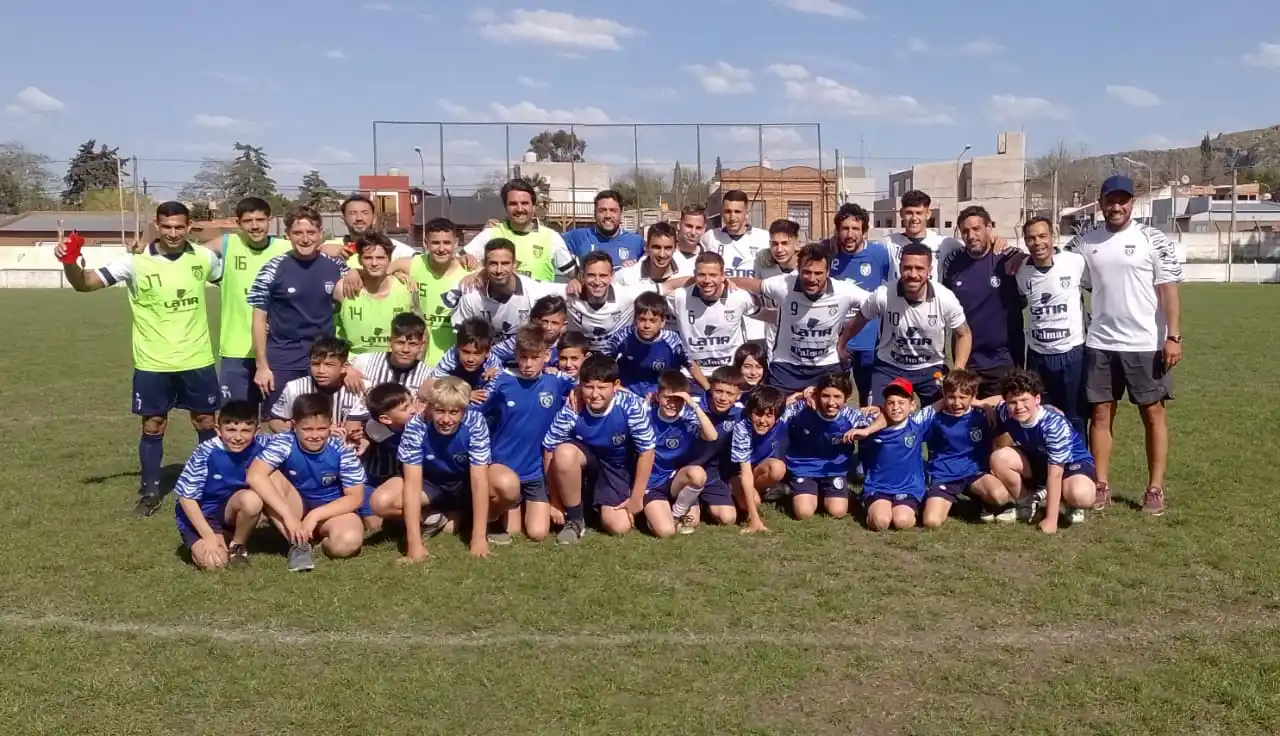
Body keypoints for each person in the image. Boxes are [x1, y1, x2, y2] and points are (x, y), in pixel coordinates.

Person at [57, 200, 224, 516]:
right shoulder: (133, 262)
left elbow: (231, 282)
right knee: (153, 425)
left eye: (179, 226)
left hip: (197, 358)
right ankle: (150, 491)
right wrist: (69, 262)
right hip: (152, 362)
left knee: (205, 421)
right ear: (157, 227)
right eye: (167, 226)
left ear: (188, 227)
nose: (173, 233)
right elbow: (85, 284)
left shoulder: (203, 258)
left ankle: (208, 486)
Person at [1065, 175, 1183, 516]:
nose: (1116, 206)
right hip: (1100, 342)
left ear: (1132, 203)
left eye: (1123, 200)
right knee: (1101, 414)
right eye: (1110, 200)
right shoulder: (1086, 242)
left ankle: (1155, 488)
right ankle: (1100, 484)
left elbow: (1169, 290)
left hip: (1146, 343)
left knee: (1153, 414)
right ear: (1100, 203)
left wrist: (1173, 337)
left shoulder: (1152, 239)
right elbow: (1058, 265)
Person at [389, 377, 518, 561]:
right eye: (440, 411)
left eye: (454, 412)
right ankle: (436, 521)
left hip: (464, 481)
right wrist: (414, 544)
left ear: (464, 412)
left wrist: (479, 538)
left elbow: (479, 479)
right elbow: (412, 484)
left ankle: (476, 522)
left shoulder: (475, 422)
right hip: (432, 483)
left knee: (508, 484)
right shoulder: (416, 425)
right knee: (383, 501)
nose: (446, 419)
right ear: (430, 408)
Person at [838, 243, 971, 406]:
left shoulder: (945, 298)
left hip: (931, 367)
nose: (913, 274)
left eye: (919, 268)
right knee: (875, 415)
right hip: (889, 367)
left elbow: (964, 334)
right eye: (907, 268)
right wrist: (842, 343)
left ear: (929, 271)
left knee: (943, 415)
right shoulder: (883, 295)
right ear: (900, 268)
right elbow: (861, 318)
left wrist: (958, 368)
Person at [247, 393, 368, 572]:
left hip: (330, 510)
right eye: (307, 429)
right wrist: (288, 516)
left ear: (330, 425)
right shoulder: (284, 442)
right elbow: (254, 476)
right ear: (294, 426)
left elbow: (355, 497)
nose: (315, 435)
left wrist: (315, 516)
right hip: (295, 508)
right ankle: (298, 544)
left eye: (321, 429)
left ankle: (317, 542)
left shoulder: (342, 450)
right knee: (267, 476)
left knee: (346, 544)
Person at [542, 355, 657, 543]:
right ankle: (575, 519)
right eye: (588, 387)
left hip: (616, 465)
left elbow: (647, 451)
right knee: (563, 452)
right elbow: (549, 448)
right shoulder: (574, 406)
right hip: (586, 460)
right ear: (580, 385)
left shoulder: (630, 405)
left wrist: (636, 498)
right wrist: (554, 499)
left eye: (602, 387)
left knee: (618, 527)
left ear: (616, 385)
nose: (594, 394)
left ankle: (594, 505)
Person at [248, 206, 349, 413]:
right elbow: (259, 319)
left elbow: (366, 286)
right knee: (279, 419)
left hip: (324, 358)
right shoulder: (273, 268)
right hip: (284, 357)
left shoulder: (336, 266)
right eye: (297, 233)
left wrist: (356, 273)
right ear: (288, 236)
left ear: (321, 233)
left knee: (321, 419)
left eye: (311, 232)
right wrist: (262, 366)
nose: (305, 239)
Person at [480, 325, 576, 542]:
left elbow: (589, 384)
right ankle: (492, 512)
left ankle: (524, 507)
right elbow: (475, 410)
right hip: (504, 467)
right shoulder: (501, 382)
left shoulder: (556, 380)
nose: (528, 364)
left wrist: (614, 389)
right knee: (512, 530)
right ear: (515, 356)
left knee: (538, 533)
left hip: (536, 472)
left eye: (535, 357)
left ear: (547, 356)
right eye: (523, 357)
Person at [732, 243, 870, 392]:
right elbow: (753, 284)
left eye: (818, 273)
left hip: (826, 365)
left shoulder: (844, 291)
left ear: (828, 271)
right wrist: (725, 281)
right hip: (786, 366)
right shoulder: (783, 285)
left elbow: (875, 304)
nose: (812, 278)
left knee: (830, 410)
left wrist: (843, 341)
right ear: (798, 269)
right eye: (806, 272)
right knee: (772, 410)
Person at [987, 369, 1096, 534]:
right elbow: (995, 401)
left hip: (1070, 465)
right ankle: (1027, 503)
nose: (1019, 407)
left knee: (1081, 495)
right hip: (1041, 461)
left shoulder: (1053, 425)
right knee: (999, 458)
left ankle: (1070, 503)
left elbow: (1056, 473)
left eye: (1025, 400)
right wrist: (978, 403)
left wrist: (1051, 521)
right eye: (1013, 402)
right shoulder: (1006, 411)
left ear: (1037, 399)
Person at [207, 197, 291, 405]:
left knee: (279, 420)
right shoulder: (227, 244)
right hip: (237, 350)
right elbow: (189, 254)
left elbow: (321, 251)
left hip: (278, 348)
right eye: (248, 221)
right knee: (236, 420)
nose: (255, 226)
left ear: (269, 220)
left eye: (260, 220)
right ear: (238, 223)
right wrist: (148, 245)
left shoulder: (286, 248)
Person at [941, 206, 1026, 397]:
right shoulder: (953, 264)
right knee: (968, 417)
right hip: (968, 359)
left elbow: (1039, 261)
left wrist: (1020, 254)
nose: (971, 235)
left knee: (1004, 418)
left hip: (1004, 359)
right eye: (965, 231)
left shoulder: (1008, 257)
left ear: (989, 228)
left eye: (976, 229)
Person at [173, 400, 269, 570]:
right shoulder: (206, 452)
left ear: (257, 431)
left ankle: (236, 546)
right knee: (214, 564)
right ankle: (209, 538)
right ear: (218, 429)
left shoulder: (263, 444)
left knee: (252, 500)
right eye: (231, 430)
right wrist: (208, 536)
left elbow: (298, 436)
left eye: (246, 431)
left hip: (230, 508)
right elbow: (186, 498)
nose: (238, 437)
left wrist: (332, 432)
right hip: (202, 513)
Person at [1017, 216, 1088, 436]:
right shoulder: (1021, 271)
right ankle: (1046, 466)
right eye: (1031, 238)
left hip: (1071, 353)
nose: (1037, 243)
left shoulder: (1074, 262)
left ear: (1053, 236)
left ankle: (1078, 467)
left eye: (1042, 236)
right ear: (1025, 241)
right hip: (1038, 356)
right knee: (1040, 414)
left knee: (1075, 415)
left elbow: (1099, 289)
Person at [917, 370, 1014, 528]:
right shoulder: (935, 419)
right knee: (931, 522)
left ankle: (978, 499)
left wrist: (983, 404)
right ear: (944, 396)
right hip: (944, 475)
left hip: (973, 473)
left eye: (962, 397)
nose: (956, 403)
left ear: (972, 396)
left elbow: (1003, 399)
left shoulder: (982, 416)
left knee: (1000, 496)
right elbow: (913, 427)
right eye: (951, 397)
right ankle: (949, 501)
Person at [779, 373, 877, 520]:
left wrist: (871, 421)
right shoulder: (803, 408)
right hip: (803, 468)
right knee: (804, 513)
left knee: (837, 512)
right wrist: (800, 395)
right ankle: (795, 490)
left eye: (837, 397)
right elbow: (776, 412)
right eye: (825, 396)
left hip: (834, 470)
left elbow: (885, 419)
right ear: (817, 394)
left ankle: (835, 493)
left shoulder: (850, 415)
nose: (831, 402)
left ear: (847, 397)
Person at [662, 251, 759, 389]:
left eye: (713, 275)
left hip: (730, 375)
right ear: (694, 274)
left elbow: (766, 312)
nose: (707, 281)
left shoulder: (739, 297)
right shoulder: (679, 298)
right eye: (702, 275)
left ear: (723, 276)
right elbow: (656, 293)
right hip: (692, 376)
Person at [827, 203, 892, 406]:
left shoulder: (880, 254)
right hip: (834, 341)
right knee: (833, 397)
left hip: (869, 341)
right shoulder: (827, 251)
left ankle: (866, 437)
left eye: (855, 229)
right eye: (845, 228)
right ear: (837, 230)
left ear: (865, 231)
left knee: (869, 399)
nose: (849, 234)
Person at [644, 371, 718, 537]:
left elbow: (712, 436)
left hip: (676, 480)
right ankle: (655, 516)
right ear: (658, 396)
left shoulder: (687, 420)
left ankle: (677, 514)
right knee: (666, 532)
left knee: (698, 475)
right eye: (667, 398)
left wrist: (693, 404)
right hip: (652, 483)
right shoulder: (647, 417)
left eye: (678, 399)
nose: (672, 404)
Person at [390, 217, 472, 366]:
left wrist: (478, 270)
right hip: (419, 359)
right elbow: (379, 273)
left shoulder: (469, 271)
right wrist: (396, 274)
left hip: (455, 361)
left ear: (456, 243)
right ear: (425, 243)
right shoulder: (412, 264)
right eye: (435, 243)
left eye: (447, 243)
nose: (441, 248)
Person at [462, 179, 577, 282]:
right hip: (500, 305)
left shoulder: (551, 237)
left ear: (533, 206)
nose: (519, 209)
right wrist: (467, 262)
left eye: (524, 203)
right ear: (505, 207)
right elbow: (459, 260)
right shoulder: (491, 233)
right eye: (513, 204)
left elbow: (574, 274)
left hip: (538, 305)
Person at [453, 238, 565, 340]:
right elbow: (461, 335)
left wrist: (576, 282)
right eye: (493, 264)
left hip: (525, 360)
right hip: (487, 359)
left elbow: (570, 291)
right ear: (484, 265)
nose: (499, 270)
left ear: (515, 265)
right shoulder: (472, 294)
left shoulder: (534, 291)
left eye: (505, 263)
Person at [855, 378, 929, 531]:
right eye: (891, 403)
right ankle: (867, 503)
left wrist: (980, 404)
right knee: (880, 522)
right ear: (884, 407)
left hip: (909, 488)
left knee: (902, 522)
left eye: (901, 403)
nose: (896, 407)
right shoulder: (872, 422)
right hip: (879, 486)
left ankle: (912, 506)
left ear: (912, 405)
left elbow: (942, 402)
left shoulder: (917, 423)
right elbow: (839, 413)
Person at [699, 189, 770, 343]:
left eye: (737, 211)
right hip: (721, 322)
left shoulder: (764, 238)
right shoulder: (710, 238)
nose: (732, 217)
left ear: (746, 213)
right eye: (728, 211)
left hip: (755, 323)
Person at [683, 366, 747, 528]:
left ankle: (707, 502)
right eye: (719, 391)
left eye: (729, 394)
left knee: (728, 518)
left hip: (713, 472)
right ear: (710, 388)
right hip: (686, 471)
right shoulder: (691, 407)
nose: (723, 398)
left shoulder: (740, 413)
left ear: (738, 395)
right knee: (691, 522)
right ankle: (691, 501)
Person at [267, 337, 368, 435]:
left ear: (344, 367)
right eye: (315, 364)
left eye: (329, 365)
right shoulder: (294, 387)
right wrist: (307, 431)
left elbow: (354, 427)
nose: (321, 371)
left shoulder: (359, 388)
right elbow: (275, 421)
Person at [599, 291, 692, 397]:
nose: (647, 325)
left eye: (653, 321)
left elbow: (691, 365)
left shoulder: (672, 340)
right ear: (635, 320)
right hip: (627, 394)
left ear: (662, 322)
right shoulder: (622, 336)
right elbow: (601, 363)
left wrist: (707, 388)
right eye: (642, 320)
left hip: (661, 398)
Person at [335, 233, 414, 354]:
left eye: (380, 258)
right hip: (353, 366)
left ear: (390, 259)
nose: (374, 263)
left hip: (391, 365)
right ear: (359, 260)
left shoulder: (406, 288)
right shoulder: (343, 288)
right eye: (368, 258)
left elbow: (421, 332)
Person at [358, 382, 417, 533]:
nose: (413, 410)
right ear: (385, 419)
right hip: (373, 479)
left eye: (412, 403)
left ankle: (426, 517)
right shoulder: (374, 428)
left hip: (402, 478)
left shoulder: (419, 424)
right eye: (405, 408)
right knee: (376, 527)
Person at [729, 386, 789, 532]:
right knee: (753, 503)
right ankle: (739, 493)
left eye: (769, 416)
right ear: (750, 413)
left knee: (778, 468)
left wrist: (806, 393)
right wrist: (754, 518)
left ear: (777, 416)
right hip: (738, 473)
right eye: (758, 414)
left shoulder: (785, 417)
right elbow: (745, 472)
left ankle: (758, 492)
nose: (763, 420)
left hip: (760, 470)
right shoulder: (742, 428)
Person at [565, 251, 646, 352]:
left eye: (603, 275)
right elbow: (541, 289)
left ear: (611, 276)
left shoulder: (627, 295)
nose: (597, 282)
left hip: (615, 359)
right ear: (582, 276)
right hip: (581, 359)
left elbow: (665, 287)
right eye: (591, 275)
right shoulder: (570, 294)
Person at [346, 312, 433, 397]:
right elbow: (339, 364)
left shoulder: (428, 375)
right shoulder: (366, 361)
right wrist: (347, 370)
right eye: (400, 342)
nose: (405, 349)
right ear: (390, 341)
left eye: (412, 344)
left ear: (422, 345)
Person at [884, 189, 964, 280]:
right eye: (909, 213)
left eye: (919, 213)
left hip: (933, 294)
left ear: (928, 214)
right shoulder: (888, 244)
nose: (914, 218)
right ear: (902, 213)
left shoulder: (946, 244)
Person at [562, 189, 645, 269]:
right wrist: (573, 276)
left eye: (613, 210)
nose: (608, 215)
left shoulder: (636, 242)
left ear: (621, 212)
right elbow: (553, 242)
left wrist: (636, 269)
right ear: (595, 213)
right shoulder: (579, 237)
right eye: (602, 210)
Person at [423, 319, 502, 403]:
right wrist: (463, 395)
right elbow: (429, 387)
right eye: (466, 352)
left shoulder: (493, 364)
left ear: (488, 352)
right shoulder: (451, 358)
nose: (470, 359)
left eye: (477, 353)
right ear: (457, 348)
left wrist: (497, 376)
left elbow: (492, 396)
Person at [752, 219, 801, 354]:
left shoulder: (807, 269)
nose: (779, 249)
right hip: (772, 344)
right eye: (774, 244)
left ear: (796, 243)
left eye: (785, 243)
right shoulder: (764, 263)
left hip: (800, 343)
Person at [322, 193, 416, 264]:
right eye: (352, 213)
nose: (359, 218)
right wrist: (319, 251)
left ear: (374, 219)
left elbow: (420, 262)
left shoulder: (395, 248)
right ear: (343, 219)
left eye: (365, 213)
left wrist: (395, 268)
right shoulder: (329, 247)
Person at [490, 295, 569, 368]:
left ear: (564, 325)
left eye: (555, 323)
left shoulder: (568, 344)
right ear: (534, 321)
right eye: (545, 321)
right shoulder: (521, 340)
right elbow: (492, 354)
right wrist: (499, 371)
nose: (549, 327)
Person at [614, 222, 691, 290]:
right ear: (647, 247)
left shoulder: (686, 274)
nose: (662, 254)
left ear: (675, 248)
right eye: (656, 247)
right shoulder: (628, 276)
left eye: (668, 248)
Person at [673, 203, 707, 272]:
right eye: (689, 226)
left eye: (698, 228)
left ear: (704, 229)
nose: (693, 233)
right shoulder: (664, 256)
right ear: (679, 225)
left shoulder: (709, 260)